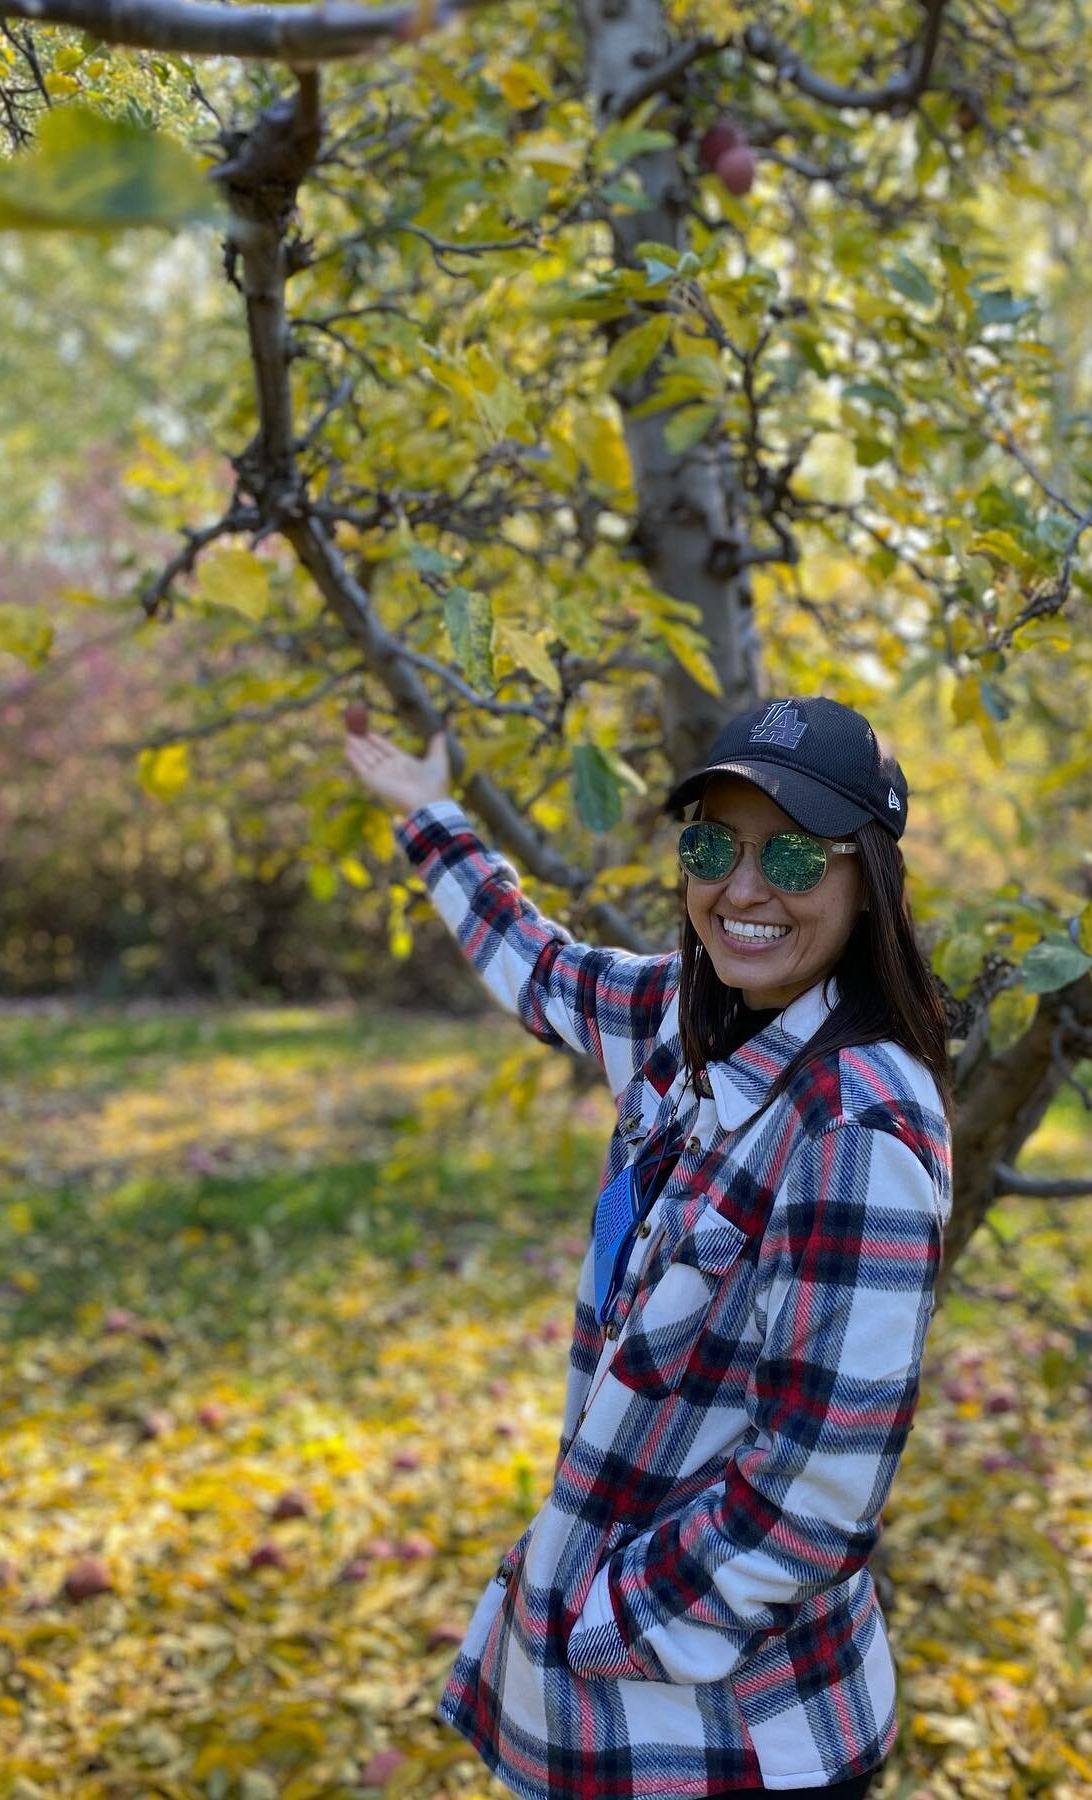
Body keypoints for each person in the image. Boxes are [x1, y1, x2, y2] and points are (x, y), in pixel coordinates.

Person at [344, 695, 954, 1800]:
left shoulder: (853, 1131)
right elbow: (541, 968)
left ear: (869, 881)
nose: (744, 889)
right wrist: (429, 812)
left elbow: (815, 1492)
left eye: (796, 858)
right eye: (714, 845)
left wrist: (611, 1618)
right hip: (617, 1720)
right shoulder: (687, 1024)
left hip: (732, 1737)